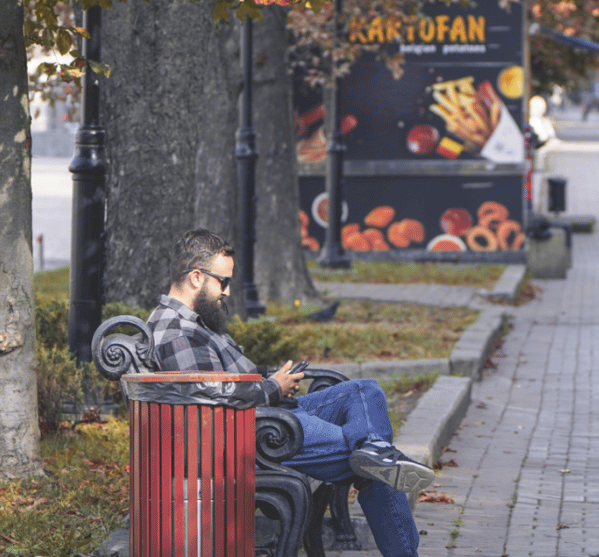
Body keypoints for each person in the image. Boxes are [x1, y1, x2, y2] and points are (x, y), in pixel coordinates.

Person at [148, 229, 431, 557]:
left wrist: (275, 378)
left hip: (269, 418)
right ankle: (381, 471)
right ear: (197, 277)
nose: (226, 292)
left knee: (364, 390)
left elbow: (221, 384)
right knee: (372, 465)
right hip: (255, 434)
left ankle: (373, 447)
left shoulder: (191, 323)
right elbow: (214, 400)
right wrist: (272, 387)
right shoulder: (176, 332)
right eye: (222, 282)